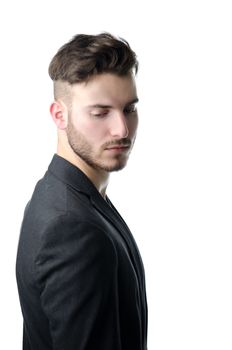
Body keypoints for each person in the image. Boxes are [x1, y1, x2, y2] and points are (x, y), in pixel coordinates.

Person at [16, 32, 148, 350]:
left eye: (129, 109)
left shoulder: (69, 195)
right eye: (100, 113)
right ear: (59, 115)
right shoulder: (71, 227)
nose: (122, 129)